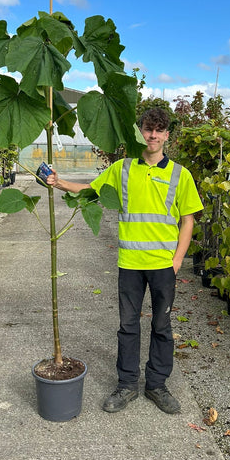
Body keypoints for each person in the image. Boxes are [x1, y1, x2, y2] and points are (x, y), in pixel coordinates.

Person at [47, 107, 203, 414]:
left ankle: (157, 385)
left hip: (162, 266)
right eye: (148, 129)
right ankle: (127, 384)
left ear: (167, 135)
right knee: (128, 326)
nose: (153, 135)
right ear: (140, 132)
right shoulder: (123, 168)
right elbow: (93, 190)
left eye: (159, 130)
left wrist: (177, 261)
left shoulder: (180, 175)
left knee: (161, 325)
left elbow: (188, 220)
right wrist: (60, 182)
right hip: (130, 263)